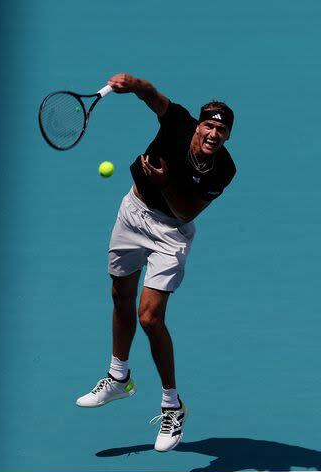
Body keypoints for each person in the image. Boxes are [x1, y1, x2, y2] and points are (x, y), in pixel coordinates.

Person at [75, 73, 237, 452]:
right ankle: (118, 378)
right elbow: (154, 97)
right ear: (198, 125)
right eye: (209, 125)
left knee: (150, 317)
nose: (213, 133)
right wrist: (132, 83)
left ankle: (172, 405)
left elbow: (185, 211)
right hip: (132, 212)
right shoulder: (177, 120)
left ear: (227, 136)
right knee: (120, 296)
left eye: (222, 130)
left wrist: (165, 183)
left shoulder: (223, 169)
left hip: (170, 233)